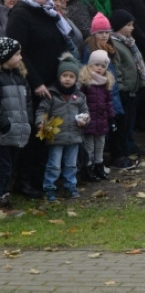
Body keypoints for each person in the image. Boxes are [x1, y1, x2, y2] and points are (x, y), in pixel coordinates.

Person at [5, 0, 76, 197]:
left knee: (47, 132)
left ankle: (41, 178)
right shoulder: (21, 13)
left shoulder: (49, 12)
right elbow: (19, 51)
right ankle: (24, 181)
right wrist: (35, 82)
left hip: (52, 81)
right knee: (34, 133)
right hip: (31, 83)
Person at [36, 55, 88, 201]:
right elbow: (41, 110)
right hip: (56, 136)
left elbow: (85, 112)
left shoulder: (79, 96)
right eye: (65, 75)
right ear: (59, 76)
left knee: (71, 164)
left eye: (71, 76)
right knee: (54, 164)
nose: (68, 79)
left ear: (76, 79)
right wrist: (40, 122)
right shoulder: (51, 94)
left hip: (74, 135)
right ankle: (50, 187)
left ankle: (70, 186)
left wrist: (84, 120)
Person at [108, 10, 145, 168]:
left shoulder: (129, 42)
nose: (131, 28)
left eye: (132, 25)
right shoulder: (115, 44)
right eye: (128, 25)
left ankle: (126, 151)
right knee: (121, 127)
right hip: (123, 91)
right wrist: (122, 86)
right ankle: (120, 156)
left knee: (128, 124)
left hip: (132, 89)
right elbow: (118, 68)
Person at [0, 37, 31, 209]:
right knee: (3, 167)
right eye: (17, 54)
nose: (20, 58)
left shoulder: (20, 78)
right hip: (4, 133)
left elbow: (27, 103)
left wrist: (29, 121)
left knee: (10, 166)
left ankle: (4, 195)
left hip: (18, 131)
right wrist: (5, 124)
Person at [79, 51, 116, 182]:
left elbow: (108, 102)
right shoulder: (85, 82)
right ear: (90, 65)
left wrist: (112, 118)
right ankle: (87, 169)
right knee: (89, 146)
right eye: (96, 65)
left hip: (101, 119)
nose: (99, 68)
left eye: (103, 66)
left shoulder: (105, 82)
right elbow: (80, 101)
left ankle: (99, 166)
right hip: (88, 119)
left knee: (100, 143)